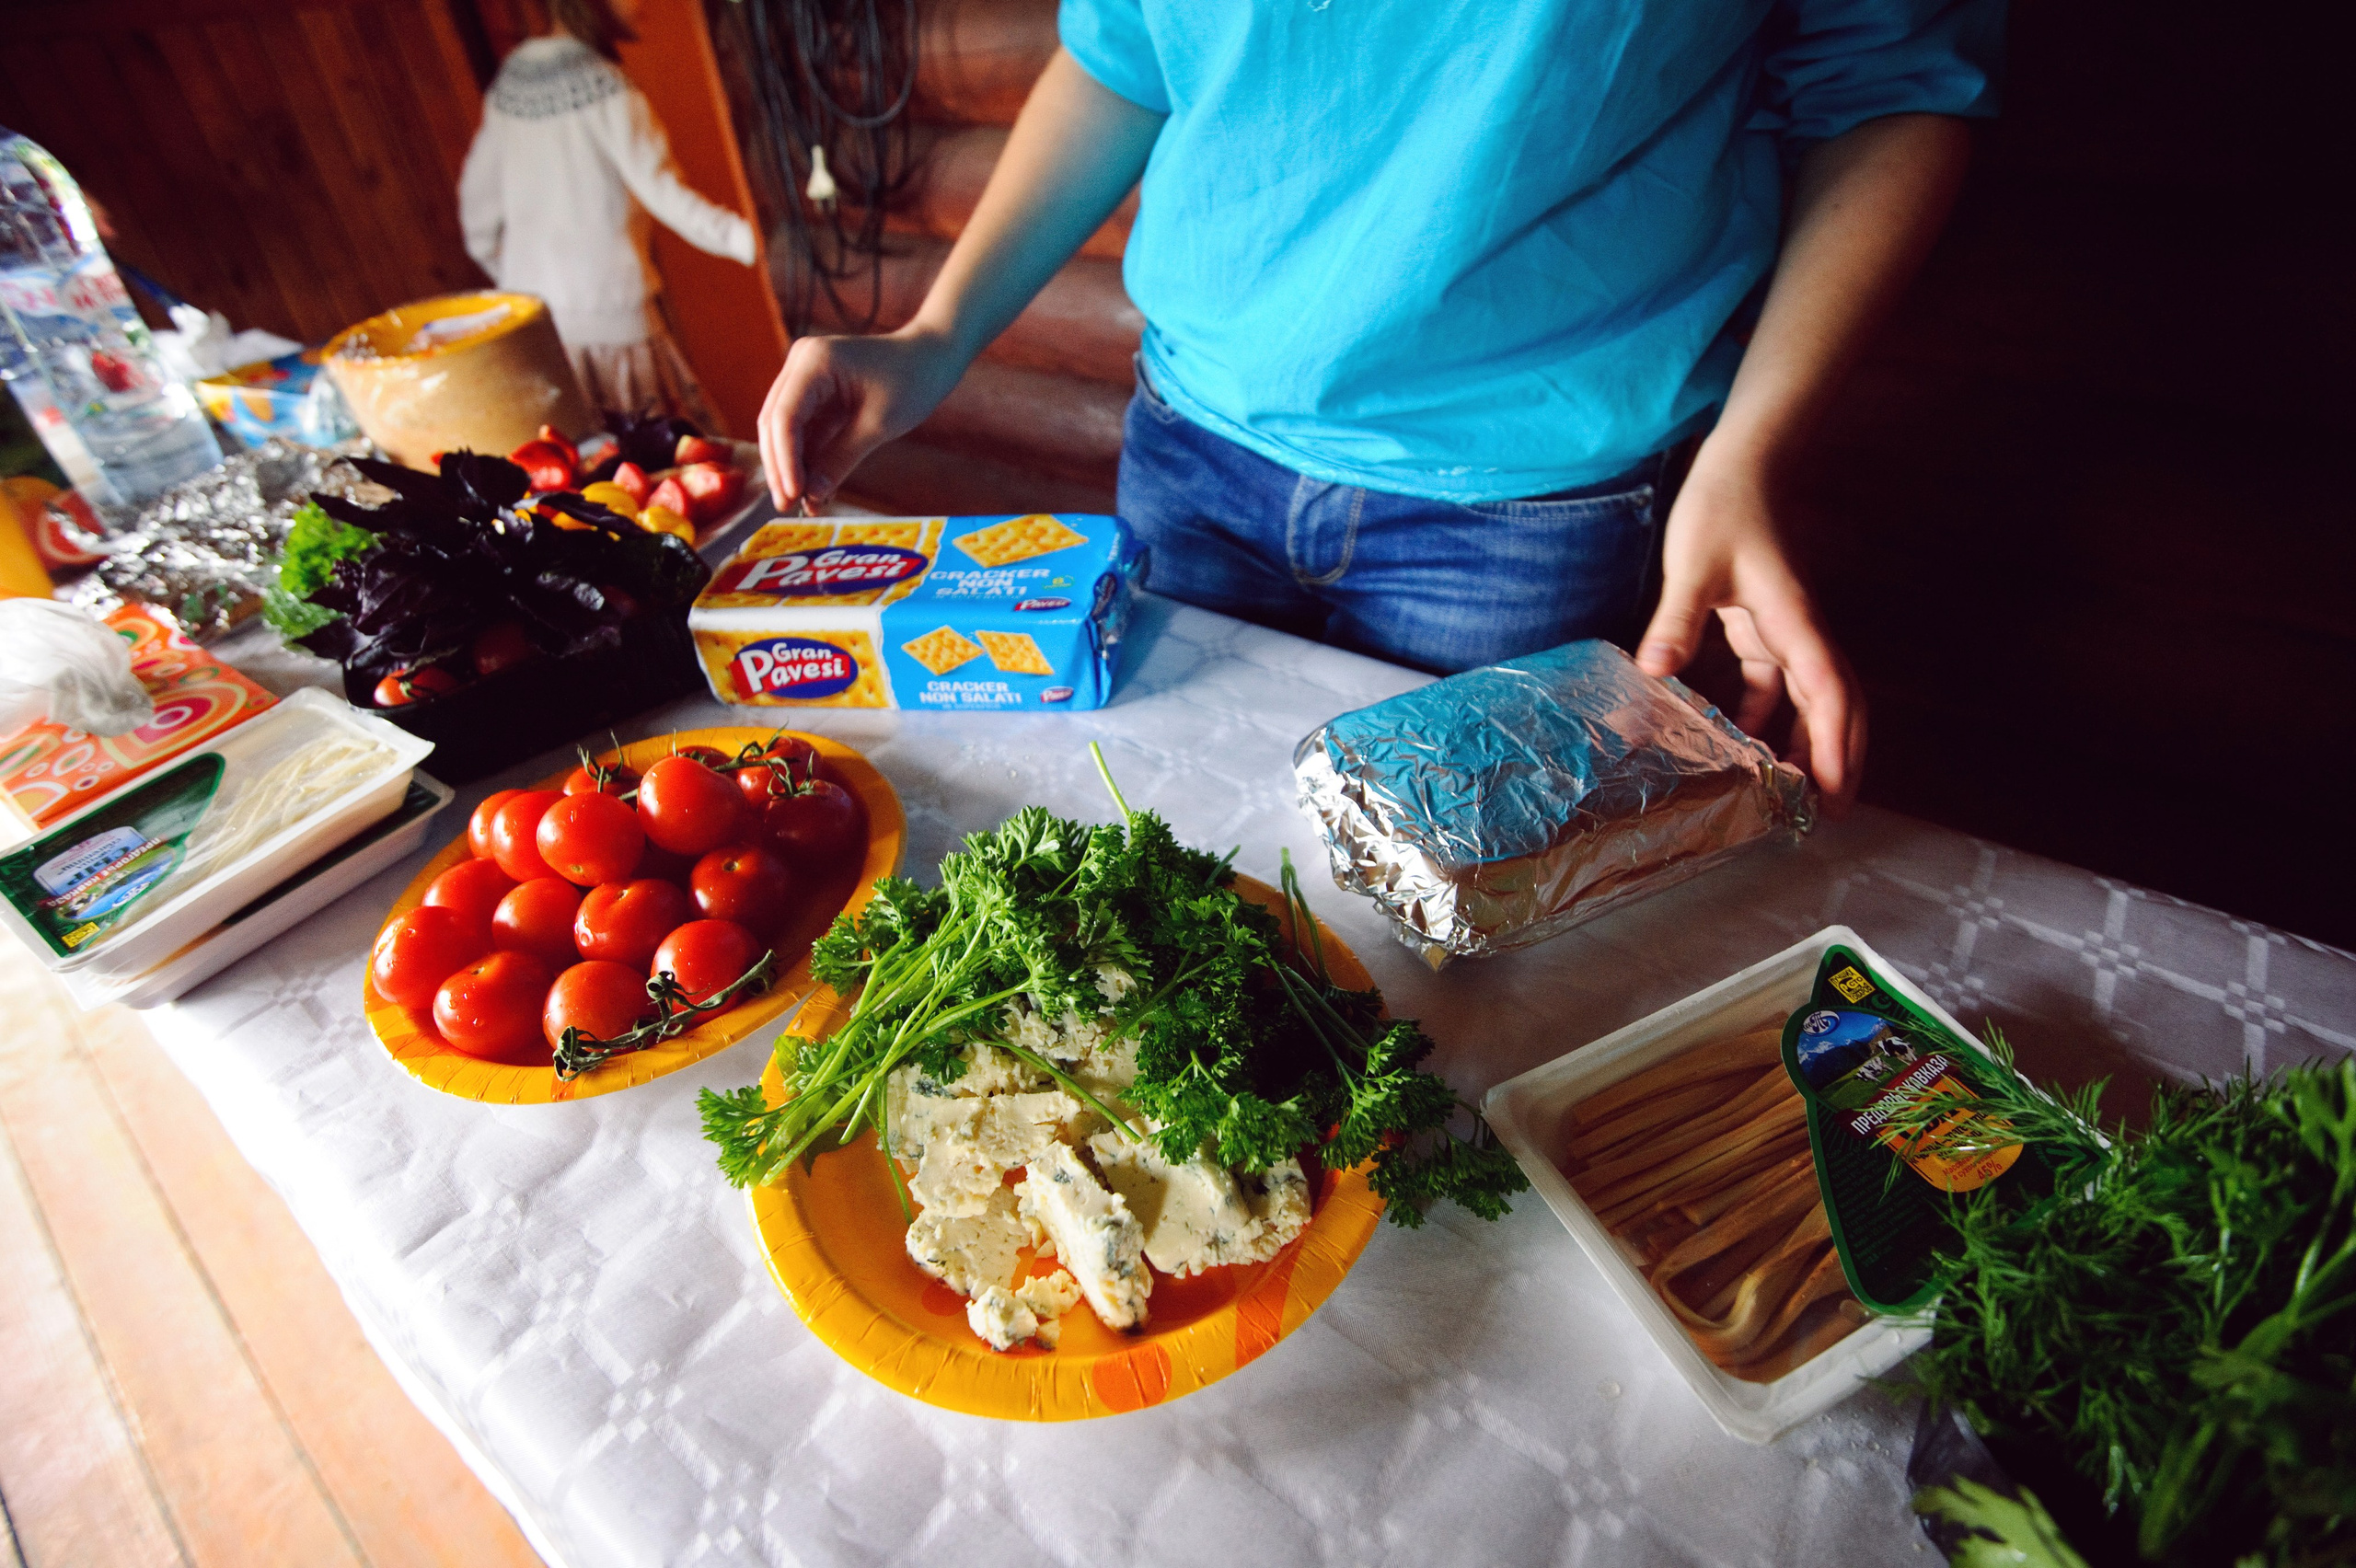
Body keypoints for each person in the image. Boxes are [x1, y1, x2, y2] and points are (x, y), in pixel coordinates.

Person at [756, 0, 2005, 814]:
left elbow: (1891, 89)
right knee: (1168, 845)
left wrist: (1754, 449)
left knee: (1442, 931)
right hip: (1189, 446)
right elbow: (1124, 62)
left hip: (1524, 507)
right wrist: (938, 333)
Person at [459, 0, 757, 430]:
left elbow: (478, 222)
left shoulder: (509, 83)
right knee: (664, 464)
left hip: (537, 334)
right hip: (618, 333)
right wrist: (752, 241)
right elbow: (669, 197)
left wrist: (525, 284)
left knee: (578, 471)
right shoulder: (611, 92)